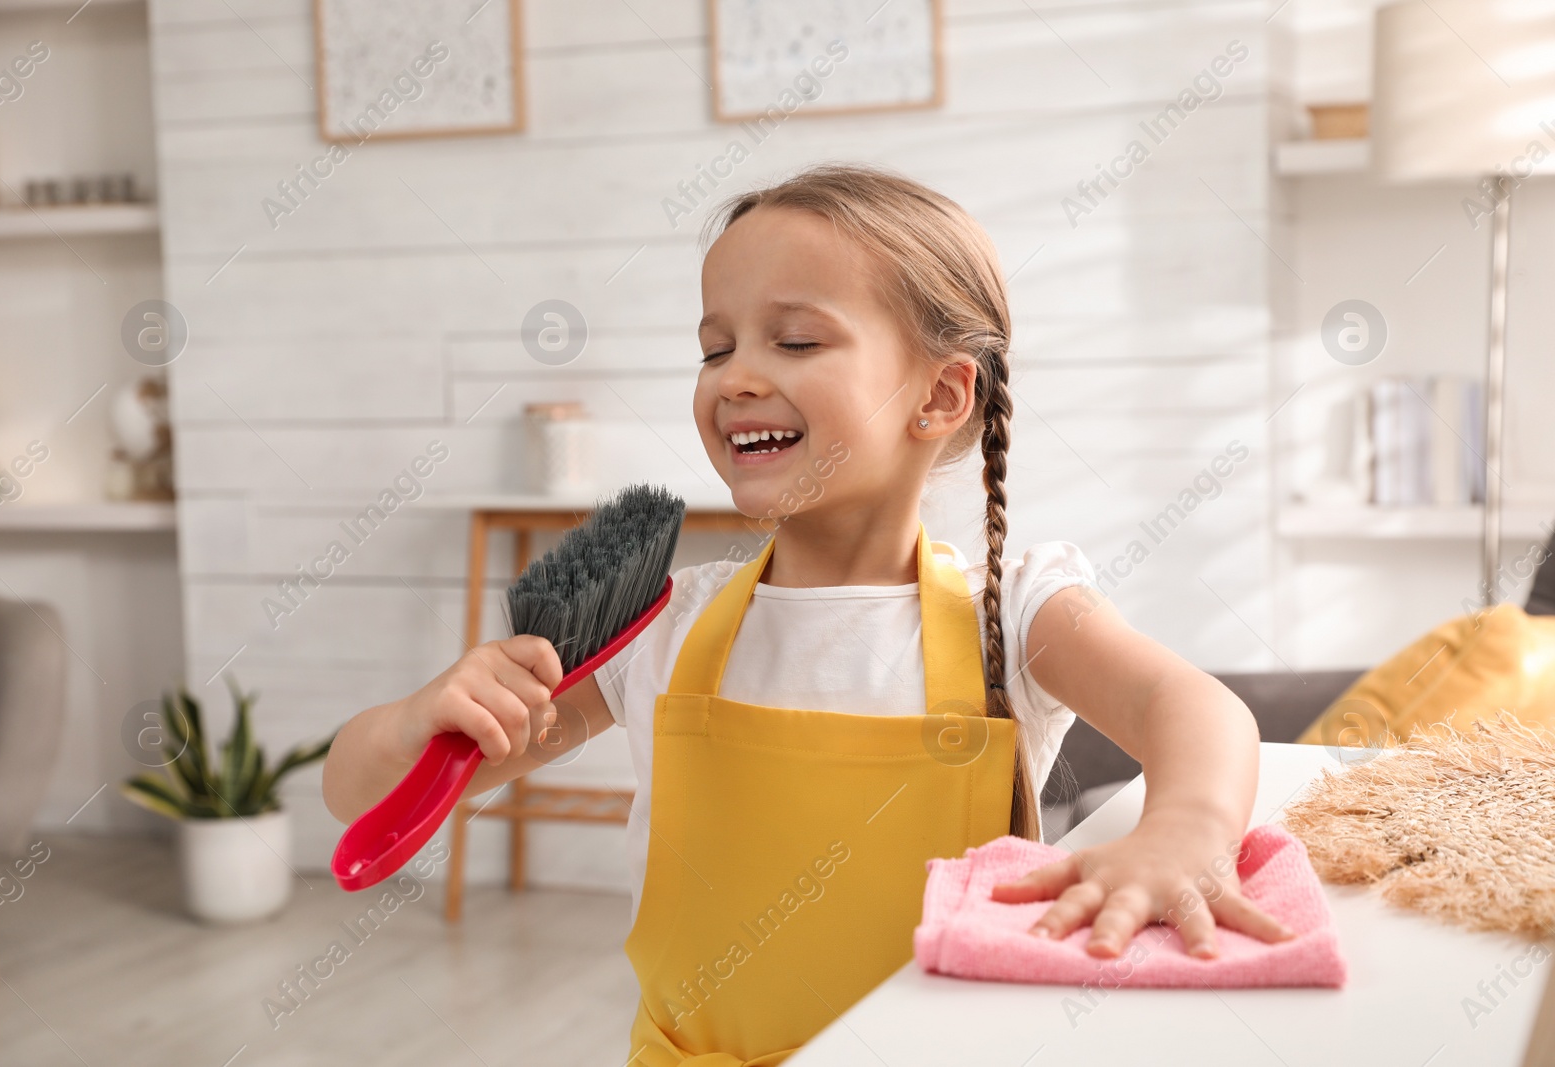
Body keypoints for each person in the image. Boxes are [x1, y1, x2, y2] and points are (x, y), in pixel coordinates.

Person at [323, 164, 1293, 1065]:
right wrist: (419, 721)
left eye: (795, 339)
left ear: (941, 393)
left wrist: (1184, 827)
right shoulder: (661, 629)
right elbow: (364, 794)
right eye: (716, 345)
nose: (736, 374)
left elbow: (1191, 706)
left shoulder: (1013, 609)